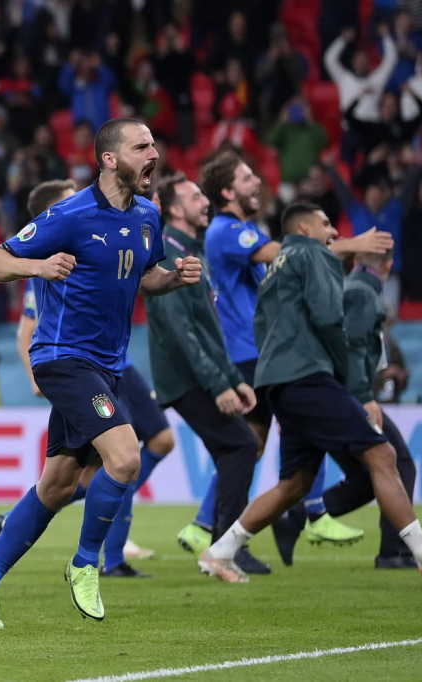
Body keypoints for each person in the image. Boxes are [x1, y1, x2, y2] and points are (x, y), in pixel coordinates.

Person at [0, 117, 201, 630]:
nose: (154, 153)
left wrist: (174, 278)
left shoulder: (149, 216)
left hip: (108, 364)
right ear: (110, 159)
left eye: (155, 143)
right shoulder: (69, 214)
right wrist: (39, 267)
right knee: (127, 456)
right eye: (141, 146)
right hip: (64, 357)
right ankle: (86, 562)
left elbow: (146, 276)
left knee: (58, 485)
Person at [198, 202, 422, 585]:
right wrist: (347, 379)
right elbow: (329, 318)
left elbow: (263, 327)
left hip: (278, 382)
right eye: (326, 223)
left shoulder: (274, 268)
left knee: (293, 484)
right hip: (308, 377)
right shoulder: (314, 255)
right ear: (303, 228)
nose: (333, 230)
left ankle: (220, 552)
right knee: (383, 454)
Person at [180, 150, 386, 565]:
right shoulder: (225, 231)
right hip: (248, 354)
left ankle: (208, 525)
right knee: (286, 428)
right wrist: (352, 244)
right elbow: (288, 254)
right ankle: (312, 511)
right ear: (227, 191)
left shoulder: (244, 229)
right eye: (246, 176)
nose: (256, 181)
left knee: (250, 445)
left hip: (260, 351)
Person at [13, 178, 175, 578]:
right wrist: (36, 374)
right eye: (70, 200)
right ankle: (95, 559)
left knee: (87, 472)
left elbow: (137, 276)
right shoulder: (54, 251)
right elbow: (25, 326)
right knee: (119, 456)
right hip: (75, 362)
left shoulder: (105, 231)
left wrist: (165, 274)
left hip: (112, 360)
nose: (81, 204)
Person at [277, 248, 419, 569]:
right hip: (349, 396)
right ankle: (394, 552)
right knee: (400, 463)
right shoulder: (360, 293)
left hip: (340, 393)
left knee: (365, 479)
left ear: (356, 261)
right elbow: (353, 348)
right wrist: (363, 396)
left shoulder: (356, 289)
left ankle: (294, 517)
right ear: (390, 264)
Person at [146, 173, 258, 571]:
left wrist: (233, 379)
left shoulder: (192, 252)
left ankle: (225, 546)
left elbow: (208, 329)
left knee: (237, 451)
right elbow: (183, 332)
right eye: (195, 196)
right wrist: (217, 385)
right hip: (184, 378)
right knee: (240, 448)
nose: (204, 201)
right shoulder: (168, 255)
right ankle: (224, 550)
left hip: (198, 374)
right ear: (175, 208)